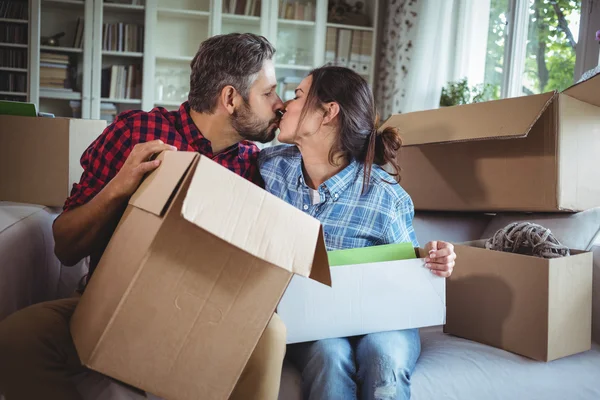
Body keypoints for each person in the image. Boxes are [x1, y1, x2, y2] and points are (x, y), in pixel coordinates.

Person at [0, 33, 286, 400]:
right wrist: (120, 186)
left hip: (201, 319)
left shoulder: (255, 165)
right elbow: (65, 247)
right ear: (230, 98)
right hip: (110, 304)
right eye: (269, 93)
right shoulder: (136, 132)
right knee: (16, 338)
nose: (280, 104)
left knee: (271, 332)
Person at [258, 66, 457, 400]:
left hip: (383, 320)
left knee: (383, 355)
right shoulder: (270, 168)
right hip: (313, 320)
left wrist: (436, 258)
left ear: (329, 112)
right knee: (329, 355)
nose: (284, 106)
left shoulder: (385, 196)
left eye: (297, 96)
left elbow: (410, 277)